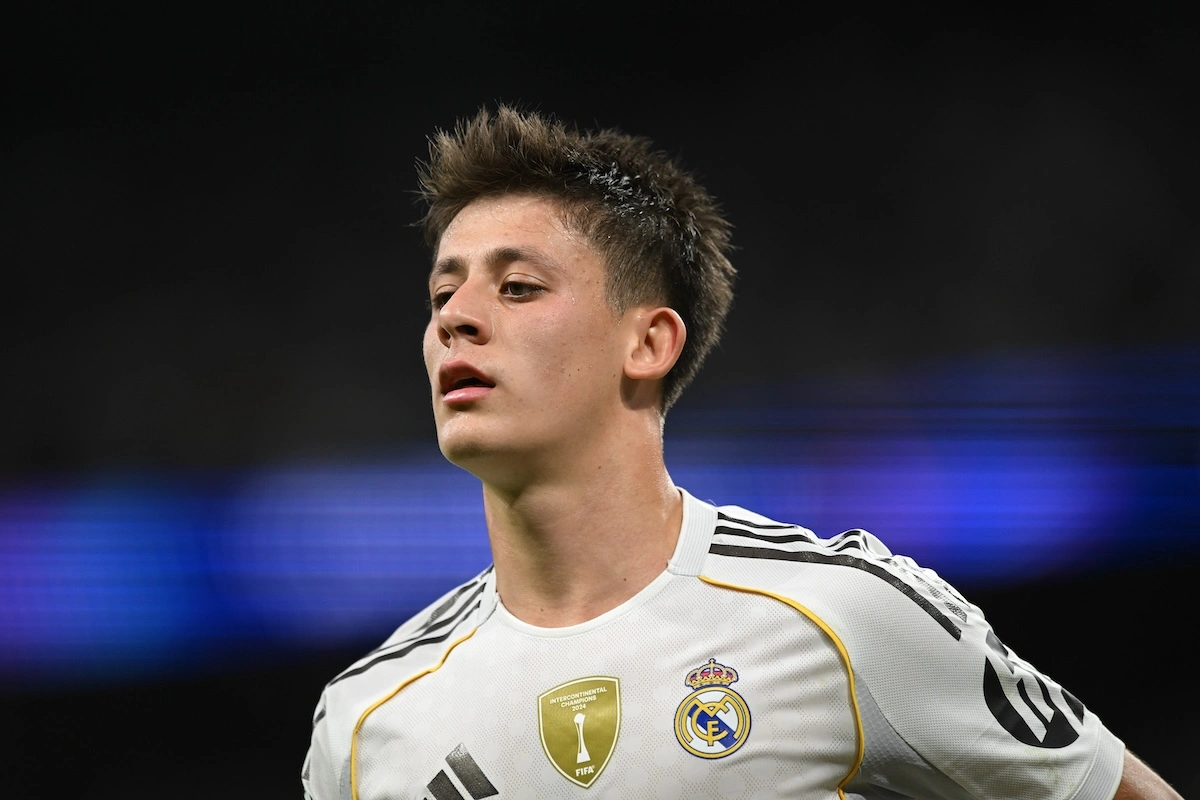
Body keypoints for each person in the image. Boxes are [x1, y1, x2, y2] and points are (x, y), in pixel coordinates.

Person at [302, 106, 1181, 799]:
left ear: (648, 343)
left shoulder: (842, 616)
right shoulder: (367, 718)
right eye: (442, 290)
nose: (455, 315)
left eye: (519, 286)